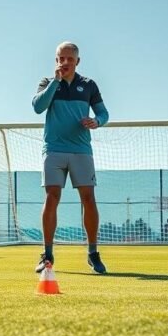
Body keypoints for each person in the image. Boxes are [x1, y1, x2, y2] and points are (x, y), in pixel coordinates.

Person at [32, 42, 109, 274]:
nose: (64, 62)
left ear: (77, 61)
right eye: (60, 58)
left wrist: (97, 121)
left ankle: (93, 253)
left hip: (81, 151)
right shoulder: (47, 83)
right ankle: (47, 254)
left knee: (88, 198)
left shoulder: (88, 85)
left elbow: (104, 112)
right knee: (52, 196)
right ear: (56, 60)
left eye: (68, 59)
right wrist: (55, 82)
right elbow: (37, 107)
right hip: (53, 150)